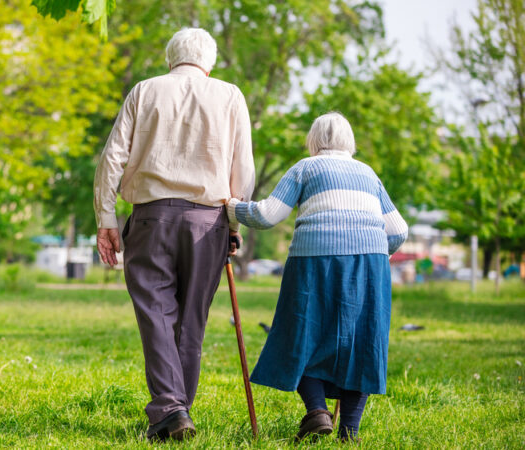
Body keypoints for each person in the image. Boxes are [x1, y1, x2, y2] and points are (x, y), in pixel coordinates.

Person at [93, 28, 255, 441]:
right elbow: (243, 169)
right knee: (191, 321)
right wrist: (234, 226)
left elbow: (112, 159)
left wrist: (106, 218)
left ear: (170, 58)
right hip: (209, 220)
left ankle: (171, 409)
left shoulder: (145, 91)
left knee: (156, 314)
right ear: (210, 62)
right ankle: (176, 408)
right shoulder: (230, 95)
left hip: (151, 218)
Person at [227, 112, 408, 442]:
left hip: (313, 260)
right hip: (369, 264)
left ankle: (317, 411)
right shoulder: (368, 173)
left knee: (299, 335)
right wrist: (376, 255)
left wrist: (232, 207)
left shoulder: (305, 167)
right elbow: (398, 230)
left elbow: (268, 215)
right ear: (349, 142)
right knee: (361, 343)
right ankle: (348, 433)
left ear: (314, 140)